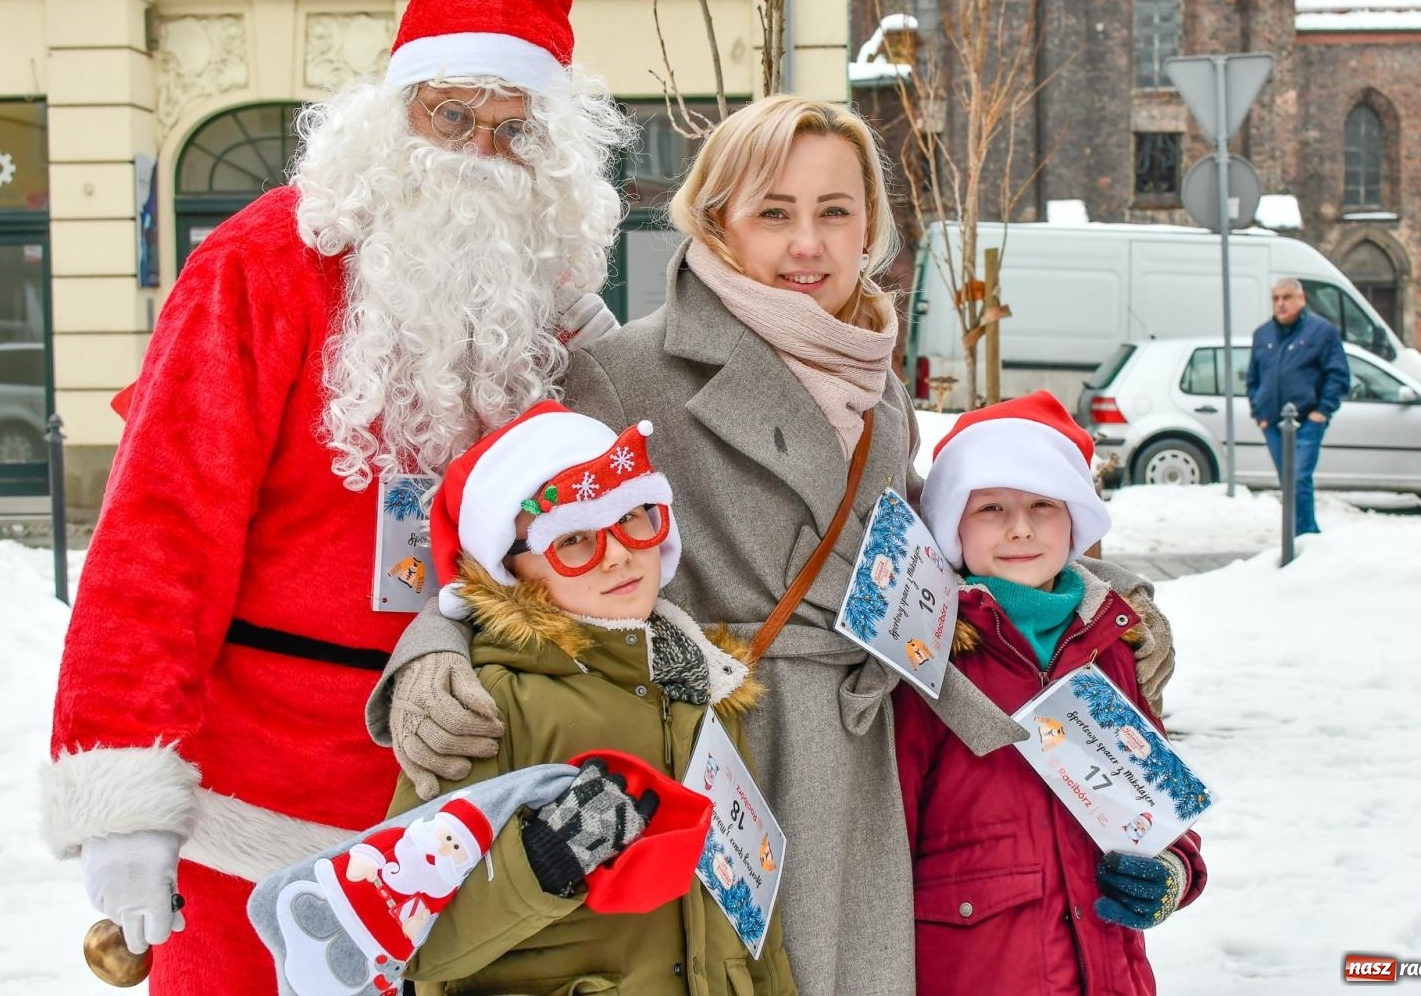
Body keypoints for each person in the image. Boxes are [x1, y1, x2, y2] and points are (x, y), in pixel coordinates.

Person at [372, 96, 1178, 994]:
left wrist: (1113, 595)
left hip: (868, 759)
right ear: (717, 220)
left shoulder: (877, 386)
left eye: (835, 212)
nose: (808, 244)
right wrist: (432, 648)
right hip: (721, 747)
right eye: (773, 213)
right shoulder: (625, 372)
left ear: (869, 227)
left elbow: (939, 543)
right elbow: (511, 538)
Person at [40, 0, 632, 992]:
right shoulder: (259, 266)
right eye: (454, 117)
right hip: (258, 822)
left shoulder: (555, 310)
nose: (480, 155)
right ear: (396, 114)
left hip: (479, 824)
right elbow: (159, 534)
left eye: (515, 132)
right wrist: (125, 793)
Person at [385, 401, 795, 994]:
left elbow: (750, 914)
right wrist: (543, 862)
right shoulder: (490, 705)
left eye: (632, 518)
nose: (619, 553)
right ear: (510, 572)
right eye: (573, 539)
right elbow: (406, 940)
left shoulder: (703, 688)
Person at [897, 391, 1207, 996]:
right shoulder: (930, 655)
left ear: (1075, 519)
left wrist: (1173, 869)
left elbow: (1156, 801)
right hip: (976, 972)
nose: (1020, 528)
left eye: (1043, 504)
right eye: (990, 507)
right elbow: (884, 837)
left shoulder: (1113, 644)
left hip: (1108, 973)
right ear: (952, 523)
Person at [1246, 277, 1351, 535]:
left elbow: (1338, 375)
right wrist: (1260, 413)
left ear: (1301, 299)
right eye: (1276, 298)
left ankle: (1304, 536)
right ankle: (1300, 536)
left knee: (1298, 477)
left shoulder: (1321, 331)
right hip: (1273, 422)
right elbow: (1253, 378)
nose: (1281, 304)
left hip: (1306, 421)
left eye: (1287, 297)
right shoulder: (1263, 334)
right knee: (1288, 481)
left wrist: (1321, 411)